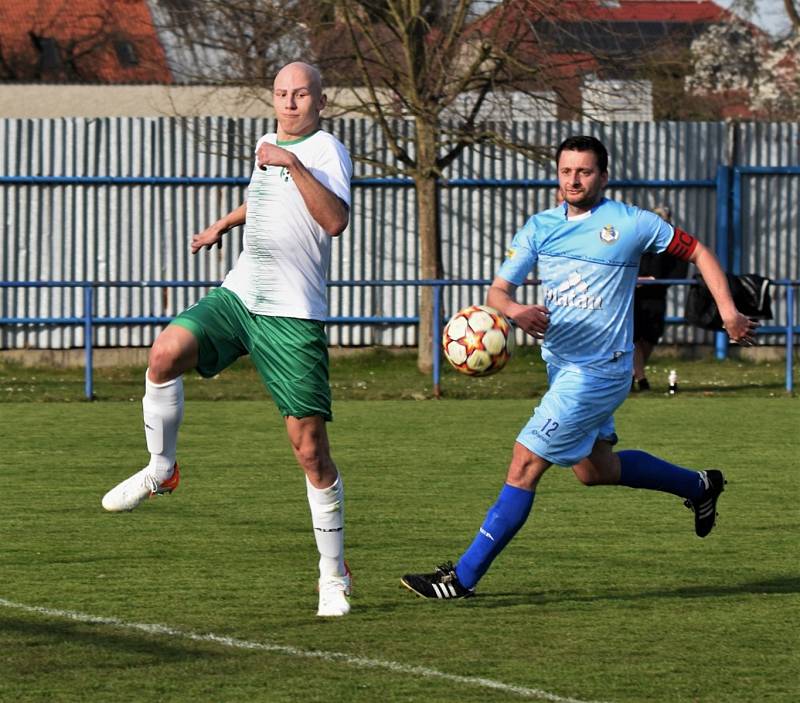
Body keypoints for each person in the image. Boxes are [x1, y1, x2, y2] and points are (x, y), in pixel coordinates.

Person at [401, 135, 757, 600]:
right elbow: (497, 293)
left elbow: (700, 253)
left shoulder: (630, 223)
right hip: (563, 368)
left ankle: (461, 579)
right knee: (595, 470)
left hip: (599, 374)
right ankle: (700, 484)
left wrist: (728, 311)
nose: (574, 179)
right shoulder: (539, 227)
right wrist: (516, 312)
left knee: (524, 462)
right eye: (566, 171)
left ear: (602, 177)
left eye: (584, 171)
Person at [101, 61, 354, 617]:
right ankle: (161, 469)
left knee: (311, 452)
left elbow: (333, 219)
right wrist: (225, 223)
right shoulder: (267, 142)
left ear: (321, 100)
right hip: (242, 294)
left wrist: (293, 162)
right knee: (164, 352)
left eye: (301, 95)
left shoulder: (326, 150)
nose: (290, 103)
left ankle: (332, 575)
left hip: (292, 315)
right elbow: (267, 201)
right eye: (282, 94)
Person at [631, 205, 688, 391]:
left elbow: (680, 271)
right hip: (634, 295)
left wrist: (656, 281)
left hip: (656, 296)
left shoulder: (673, 244)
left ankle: (635, 375)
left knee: (650, 337)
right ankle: (640, 378)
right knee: (633, 337)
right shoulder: (637, 240)